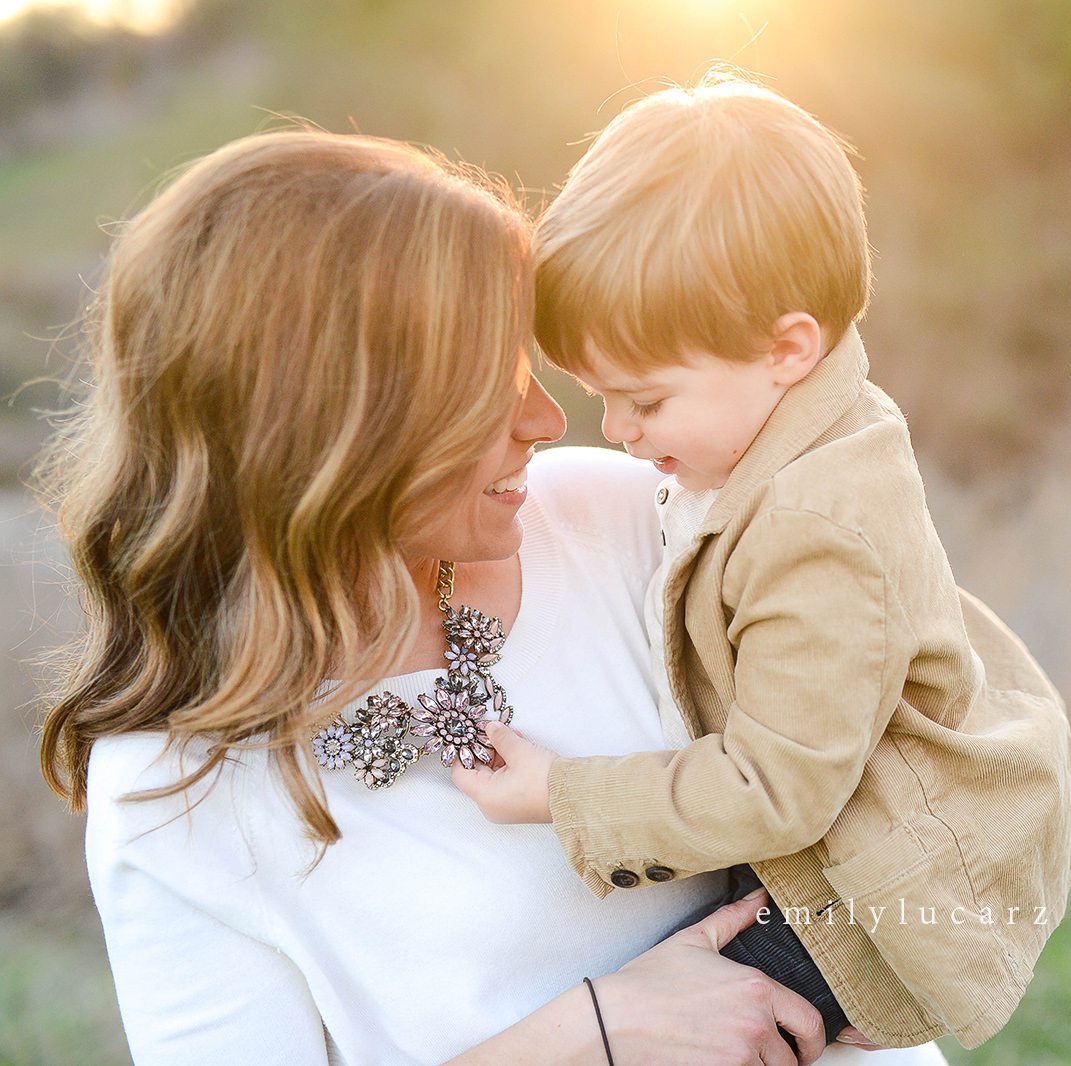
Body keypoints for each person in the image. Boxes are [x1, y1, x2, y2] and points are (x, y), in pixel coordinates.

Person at [36, 128, 833, 1065]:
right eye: (484, 387)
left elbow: (925, 748)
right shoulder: (173, 792)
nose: (546, 420)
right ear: (329, 426)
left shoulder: (630, 516)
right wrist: (598, 1031)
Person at [451, 73, 1071, 1052]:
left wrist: (559, 793)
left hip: (865, 906)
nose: (615, 432)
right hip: (827, 856)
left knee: (688, 1034)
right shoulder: (782, 428)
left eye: (648, 400)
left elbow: (775, 788)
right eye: (601, 395)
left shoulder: (817, 525)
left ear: (787, 346)